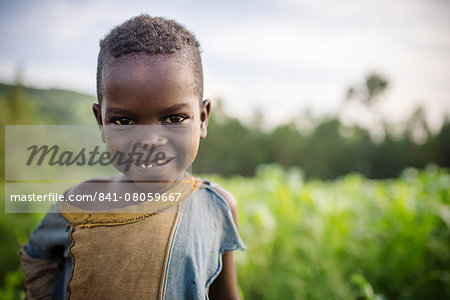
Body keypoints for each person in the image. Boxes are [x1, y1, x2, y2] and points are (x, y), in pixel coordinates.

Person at [20, 15, 245, 300]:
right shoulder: (80, 200)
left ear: (201, 119)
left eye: (174, 118)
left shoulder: (217, 206)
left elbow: (225, 294)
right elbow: (38, 259)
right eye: (124, 121)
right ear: (101, 122)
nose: (150, 140)